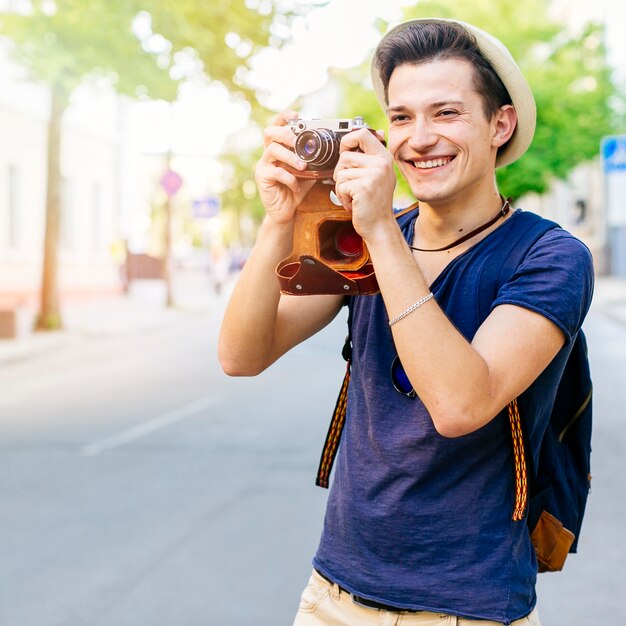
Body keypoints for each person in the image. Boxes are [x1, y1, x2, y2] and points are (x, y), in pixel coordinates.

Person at [218, 17, 594, 626]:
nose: (418, 139)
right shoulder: (362, 239)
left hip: (466, 608)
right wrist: (277, 221)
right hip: (333, 595)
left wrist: (382, 230)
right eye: (400, 117)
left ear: (500, 124)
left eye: (446, 113)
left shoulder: (549, 257)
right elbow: (242, 355)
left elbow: (459, 405)